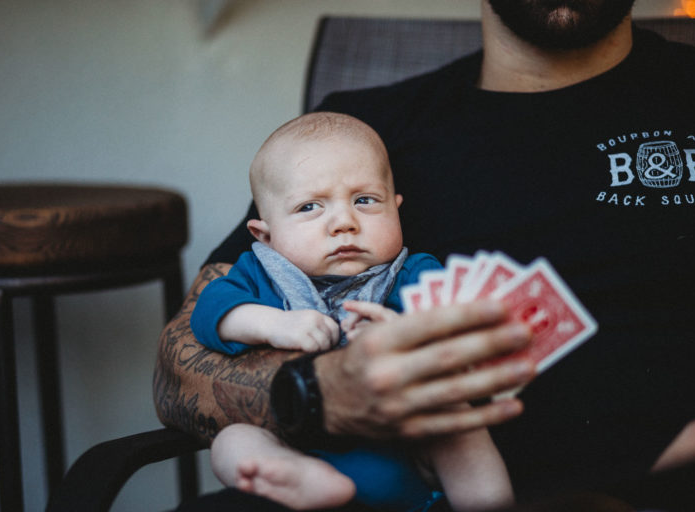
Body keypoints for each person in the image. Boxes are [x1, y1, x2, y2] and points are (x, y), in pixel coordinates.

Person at [155, 1, 695, 509]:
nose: (344, 219)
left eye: (365, 203)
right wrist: (319, 390)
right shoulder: (355, 140)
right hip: (367, 481)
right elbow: (177, 364)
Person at [190, 112, 515, 512]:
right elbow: (208, 313)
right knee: (233, 440)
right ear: (265, 234)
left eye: (365, 201)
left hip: (410, 454)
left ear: (396, 208)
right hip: (305, 450)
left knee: (459, 422)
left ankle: (490, 504)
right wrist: (274, 324)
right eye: (310, 207)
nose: (344, 222)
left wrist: (402, 334)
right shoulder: (259, 276)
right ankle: (302, 479)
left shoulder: (415, 275)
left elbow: (454, 334)